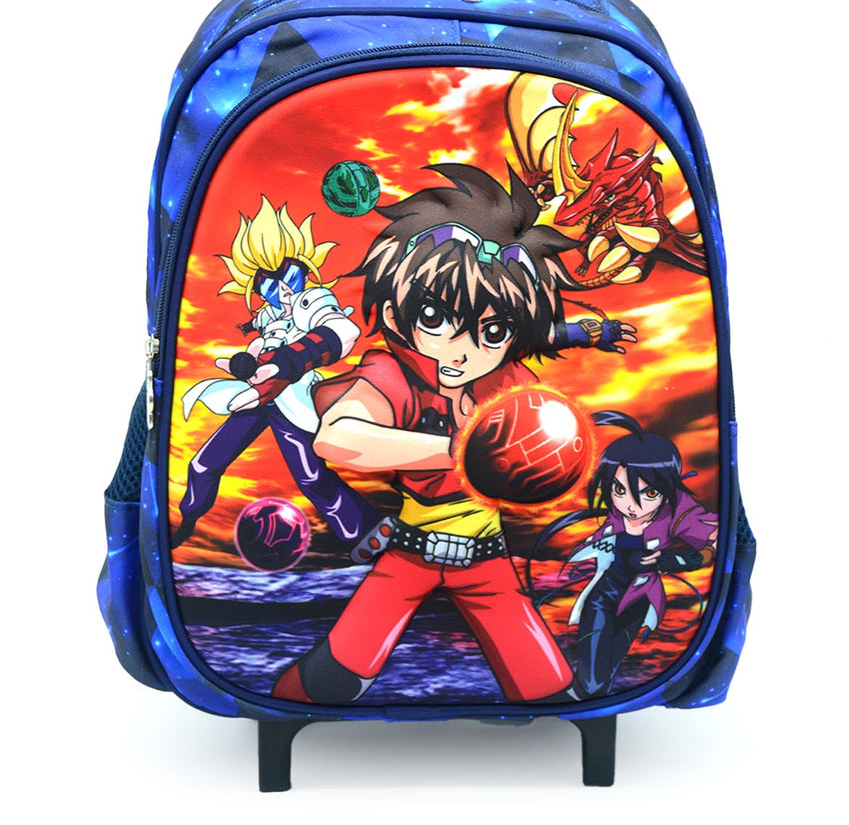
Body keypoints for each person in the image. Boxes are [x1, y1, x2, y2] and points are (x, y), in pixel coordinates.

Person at [252, 164, 636, 703]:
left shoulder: (509, 381)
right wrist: (460, 450)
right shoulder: (393, 372)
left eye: (491, 331)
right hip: (409, 555)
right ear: (394, 314)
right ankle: (275, 707)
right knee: (329, 679)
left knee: (548, 687)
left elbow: (542, 428)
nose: (462, 350)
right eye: (434, 318)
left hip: (489, 562)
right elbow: (337, 437)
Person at [172, 197, 377, 551]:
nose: (282, 290)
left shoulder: (313, 301)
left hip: (293, 401)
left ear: (306, 272)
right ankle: (184, 522)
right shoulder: (269, 316)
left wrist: (290, 360)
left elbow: (342, 331)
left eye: (291, 275)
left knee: (311, 477)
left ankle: (366, 534)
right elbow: (260, 345)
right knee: (204, 463)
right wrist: (246, 363)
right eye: (268, 286)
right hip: (258, 396)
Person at [566, 410, 718, 697]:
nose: (630, 505)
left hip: (638, 600)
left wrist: (685, 559)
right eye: (619, 489)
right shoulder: (615, 511)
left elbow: (717, 536)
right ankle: (583, 702)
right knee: (593, 678)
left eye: (648, 494)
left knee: (607, 673)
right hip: (602, 596)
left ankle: (591, 707)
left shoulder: (676, 510)